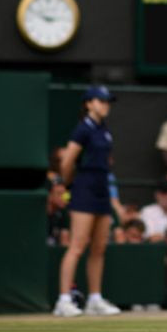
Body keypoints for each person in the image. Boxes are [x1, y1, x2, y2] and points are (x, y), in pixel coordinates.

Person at [54, 86, 121, 317]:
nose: (105, 105)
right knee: (77, 245)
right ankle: (63, 300)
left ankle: (94, 298)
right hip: (84, 189)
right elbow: (67, 160)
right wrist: (69, 183)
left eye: (107, 101)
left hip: (102, 189)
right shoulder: (82, 129)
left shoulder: (104, 129)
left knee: (99, 247)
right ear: (88, 103)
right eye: (101, 101)